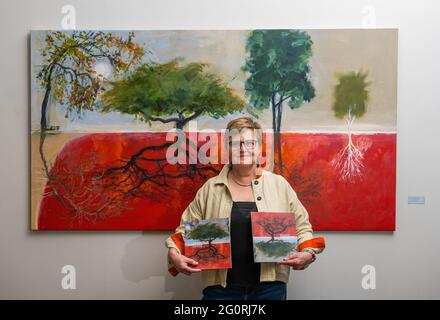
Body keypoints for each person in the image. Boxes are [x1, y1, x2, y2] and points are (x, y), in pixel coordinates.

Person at [165, 116, 325, 300]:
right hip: (220, 291)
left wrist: (308, 253)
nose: (243, 149)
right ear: (227, 148)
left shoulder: (279, 185)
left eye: (249, 143)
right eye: (235, 143)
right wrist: (174, 254)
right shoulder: (210, 188)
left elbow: (303, 227)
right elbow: (185, 230)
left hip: (270, 289)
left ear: (258, 148)